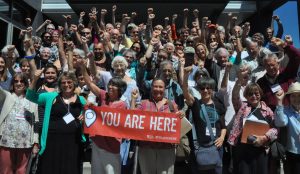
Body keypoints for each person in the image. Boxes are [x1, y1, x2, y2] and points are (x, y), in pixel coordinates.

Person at [26, 71, 86, 174]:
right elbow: (30, 96)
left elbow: (90, 115)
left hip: (73, 142)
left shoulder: (82, 100)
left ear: (74, 83)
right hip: (52, 141)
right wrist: (35, 78)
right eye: (63, 82)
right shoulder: (51, 96)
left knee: (70, 169)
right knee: (50, 168)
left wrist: (85, 117)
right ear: (59, 84)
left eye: (69, 82)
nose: (66, 85)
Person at [79, 59, 127, 174]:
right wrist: (82, 67)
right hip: (97, 143)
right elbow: (90, 84)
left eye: (114, 85)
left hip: (112, 146)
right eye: (110, 84)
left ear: (120, 89)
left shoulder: (122, 105)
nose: (110, 87)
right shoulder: (103, 95)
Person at [131, 78, 183, 174]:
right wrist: (133, 99)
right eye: (155, 86)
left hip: (167, 149)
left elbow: (180, 124)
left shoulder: (172, 105)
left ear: (165, 89)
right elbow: (132, 118)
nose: (157, 89)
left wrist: (181, 115)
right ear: (151, 88)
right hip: (146, 148)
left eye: (160, 87)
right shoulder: (143, 104)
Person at [182, 66, 226, 174]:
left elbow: (223, 126)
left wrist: (222, 138)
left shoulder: (218, 105)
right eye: (202, 88)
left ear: (212, 89)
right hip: (199, 147)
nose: (205, 90)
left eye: (208, 88)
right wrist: (186, 75)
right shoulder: (196, 103)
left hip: (216, 147)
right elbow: (185, 90)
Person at [228, 82, 278, 174]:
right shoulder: (242, 106)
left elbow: (275, 129)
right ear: (246, 96)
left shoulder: (268, 110)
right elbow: (235, 96)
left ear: (260, 94)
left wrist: (264, 138)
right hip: (243, 150)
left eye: (256, 93)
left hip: (261, 150)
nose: (254, 96)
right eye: (250, 94)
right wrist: (239, 81)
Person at [0, 73, 39, 174]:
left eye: (22, 81)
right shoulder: (6, 96)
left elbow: (36, 123)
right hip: (6, 141)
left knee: (21, 170)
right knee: (5, 170)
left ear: (26, 84)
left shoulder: (32, 100)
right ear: (12, 84)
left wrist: (35, 142)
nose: (19, 83)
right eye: (16, 81)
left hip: (25, 142)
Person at [275, 82, 300, 174]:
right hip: (292, 152)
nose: (296, 99)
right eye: (293, 96)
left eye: (299, 96)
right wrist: (279, 102)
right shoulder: (284, 110)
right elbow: (280, 122)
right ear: (289, 97)